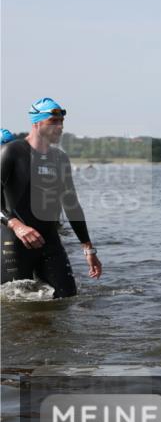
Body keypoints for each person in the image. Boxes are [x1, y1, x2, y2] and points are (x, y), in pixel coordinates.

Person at [1, 98, 102, 298]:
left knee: (67, 298)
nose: (60, 127)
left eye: (61, 122)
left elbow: (71, 205)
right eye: (53, 122)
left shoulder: (60, 158)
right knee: (15, 305)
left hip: (49, 240)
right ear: (37, 123)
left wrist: (88, 248)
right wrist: (16, 225)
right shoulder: (12, 152)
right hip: (15, 242)